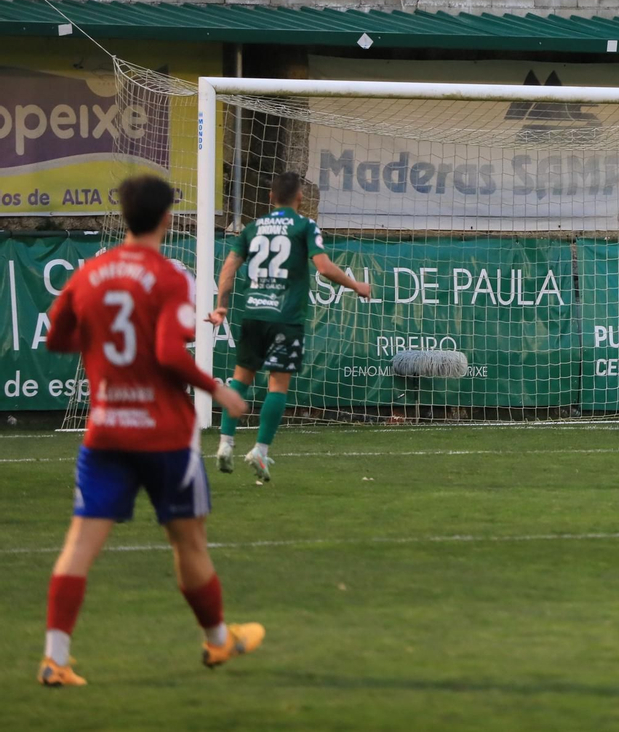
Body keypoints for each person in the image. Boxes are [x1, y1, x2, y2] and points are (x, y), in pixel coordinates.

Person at [37, 174, 260, 687]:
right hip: (163, 435)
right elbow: (165, 351)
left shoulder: (91, 272)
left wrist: (104, 356)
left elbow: (57, 335)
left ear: (124, 214)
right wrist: (219, 390)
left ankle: (55, 658)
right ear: (166, 218)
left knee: (78, 546)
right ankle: (219, 640)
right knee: (189, 543)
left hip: (106, 430)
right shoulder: (167, 276)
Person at [208, 171, 371, 482]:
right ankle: (260, 451)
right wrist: (355, 285)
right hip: (285, 317)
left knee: (240, 380)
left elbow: (229, 267)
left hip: (254, 314)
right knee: (277, 385)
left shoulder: (253, 227)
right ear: (300, 198)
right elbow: (323, 267)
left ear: (271, 197)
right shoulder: (304, 226)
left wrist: (221, 305)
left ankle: (225, 444)